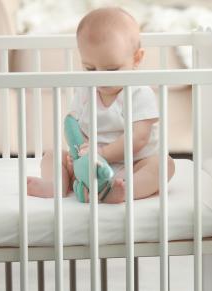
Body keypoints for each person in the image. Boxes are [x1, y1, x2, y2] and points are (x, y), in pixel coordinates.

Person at [27, 7, 175, 203]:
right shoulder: (85, 92)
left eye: (111, 69)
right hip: (91, 164)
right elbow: (74, 126)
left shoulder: (139, 92)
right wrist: (77, 153)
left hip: (132, 164)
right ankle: (57, 185)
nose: (99, 76)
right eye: (90, 68)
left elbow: (138, 138)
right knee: (51, 156)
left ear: (136, 59)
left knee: (164, 164)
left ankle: (121, 190)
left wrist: (103, 153)